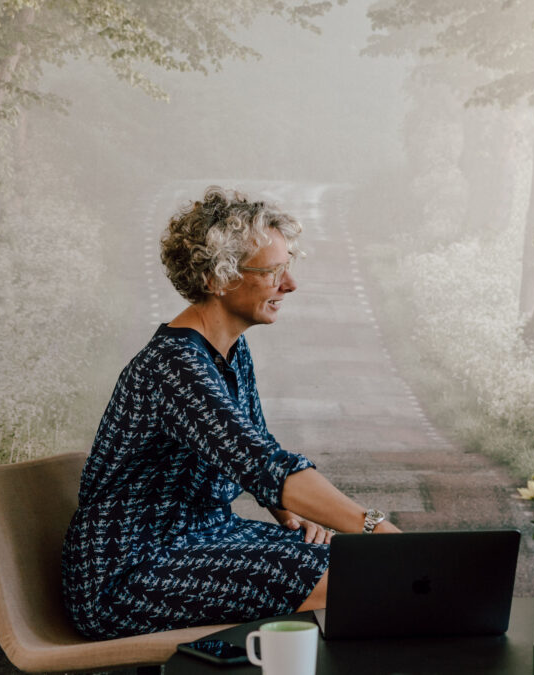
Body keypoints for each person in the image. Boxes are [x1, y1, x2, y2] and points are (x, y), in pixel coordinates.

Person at [62, 186, 398, 639]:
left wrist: (289, 514)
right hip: (129, 572)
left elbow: (253, 446)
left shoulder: (231, 352)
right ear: (218, 278)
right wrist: (380, 531)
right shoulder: (174, 367)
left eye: (288, 267)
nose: (290, 284)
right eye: (273, 271)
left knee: (346, 561)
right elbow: (264, 466)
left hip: (203, 537)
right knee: (358, 574)